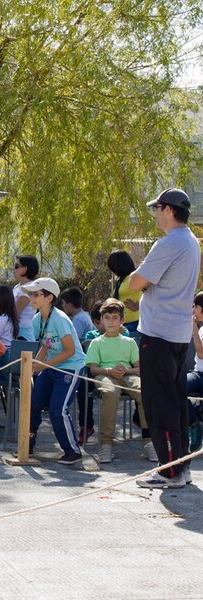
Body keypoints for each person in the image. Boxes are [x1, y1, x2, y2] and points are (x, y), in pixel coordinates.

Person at [130, 188, 200, 489]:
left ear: (169, 209)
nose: (154, 214)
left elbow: (136, 282)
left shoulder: (169, 242)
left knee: (160, 405)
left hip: (158, 333)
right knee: (176, 401)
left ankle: (169, 470)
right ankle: (179, 466)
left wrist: (145, 283)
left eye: (157, 208)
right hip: (178, 332)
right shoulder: (191, 241)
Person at [85, 298, 157, 464]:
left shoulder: (129, 342)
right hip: (105, 374)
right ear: (101, 320)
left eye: (115, 318)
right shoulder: (96, 343)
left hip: (127, 373)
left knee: (144, 391)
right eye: (107, 318)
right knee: (110, 393)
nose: (111, 322)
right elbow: (93, 369)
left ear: (122, 320)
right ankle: (106, 444)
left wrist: (126, 370)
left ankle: (149, 441)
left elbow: (140, 368)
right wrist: (109, 371)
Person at [25, 277, 85, 465]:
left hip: (70, 367)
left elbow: (70, 350)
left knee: (57, 409)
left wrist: (43, 365)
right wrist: (35, 364)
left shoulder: (59, 319)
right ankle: (27, 443)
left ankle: (72, 451)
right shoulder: (37, 319)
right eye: (31, 295)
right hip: (51, 367)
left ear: (49, 297)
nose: (32, 298)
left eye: (36, 294)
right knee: (33, 404)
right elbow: (45, 344)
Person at [186, 292, 203, 452]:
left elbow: (201, 352)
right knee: (177, 386)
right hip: (198, 373)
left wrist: (193, 329)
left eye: (194, 307)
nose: (193, 311)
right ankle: (194, 421)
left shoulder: (198, 328)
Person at [107, 250, 141, 332]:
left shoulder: (133, 277)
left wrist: (138, 305)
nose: (113, 271)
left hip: (133, 323)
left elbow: (151, 291)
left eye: (113, 267)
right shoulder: (122, 279)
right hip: (123, 322)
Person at [12, 255, 39, 340]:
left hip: (24, 333)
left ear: (25, 269)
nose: (13, 269)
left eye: (16, 266)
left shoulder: (29, 288)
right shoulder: (17, 286)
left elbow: (14, 311)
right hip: (15, 330)